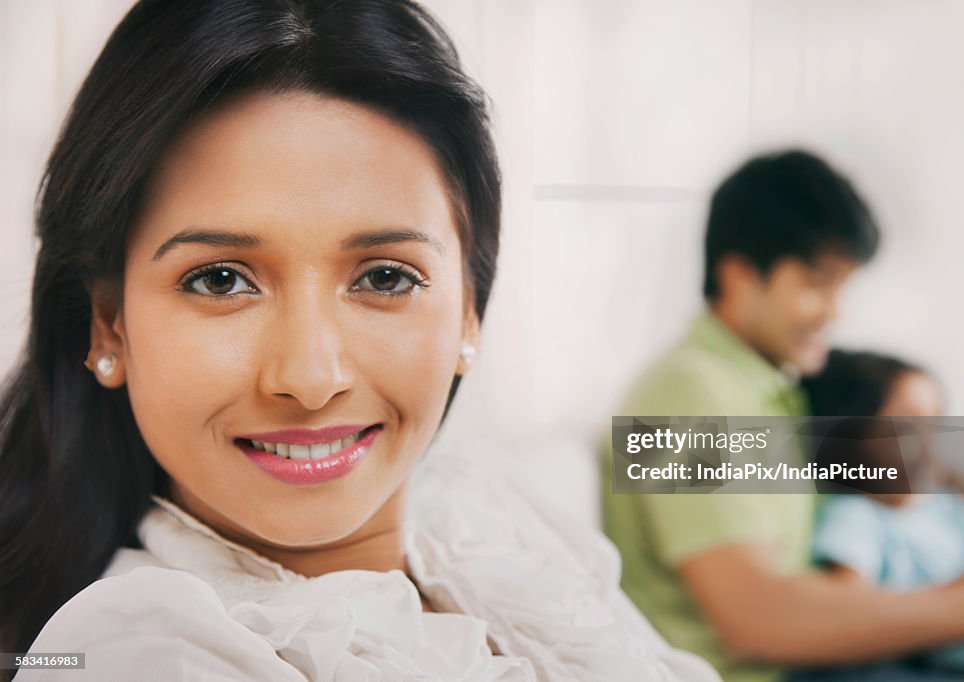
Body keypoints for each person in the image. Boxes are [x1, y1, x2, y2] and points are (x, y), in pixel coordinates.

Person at [0, 1, 719, 680]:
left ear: (470, 308)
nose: (310, 377)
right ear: (108, 324)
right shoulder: (145, 654)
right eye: (220, 280)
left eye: (384, 276)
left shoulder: (491, 515)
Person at [602, 150, 964, 682]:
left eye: (843, 286)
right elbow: (757, 619)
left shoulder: (778, 390)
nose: (835, 311)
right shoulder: (686, 395)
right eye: (817, 283)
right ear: (739, 276)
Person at [797, 350, 964, 681]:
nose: (927, 442)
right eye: (905, 428)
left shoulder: (946, 502)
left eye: (934, 423)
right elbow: (848, 616)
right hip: (932, 661)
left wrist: (958, 479)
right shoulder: (857, 517)